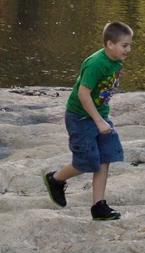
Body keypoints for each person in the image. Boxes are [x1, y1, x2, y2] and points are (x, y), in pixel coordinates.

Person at [43, 21, 132, 221]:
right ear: (110, 44)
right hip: (80, 117)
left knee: (105, 156)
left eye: (129, 45)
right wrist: (99, 121)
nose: (129, 49)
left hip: (99, 115)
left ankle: (98, 206)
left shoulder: (115, 59)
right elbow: (83, 94)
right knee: (86, 161)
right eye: (124, 45)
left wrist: (102, 118)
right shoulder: (96, 63)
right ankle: (55, 179)